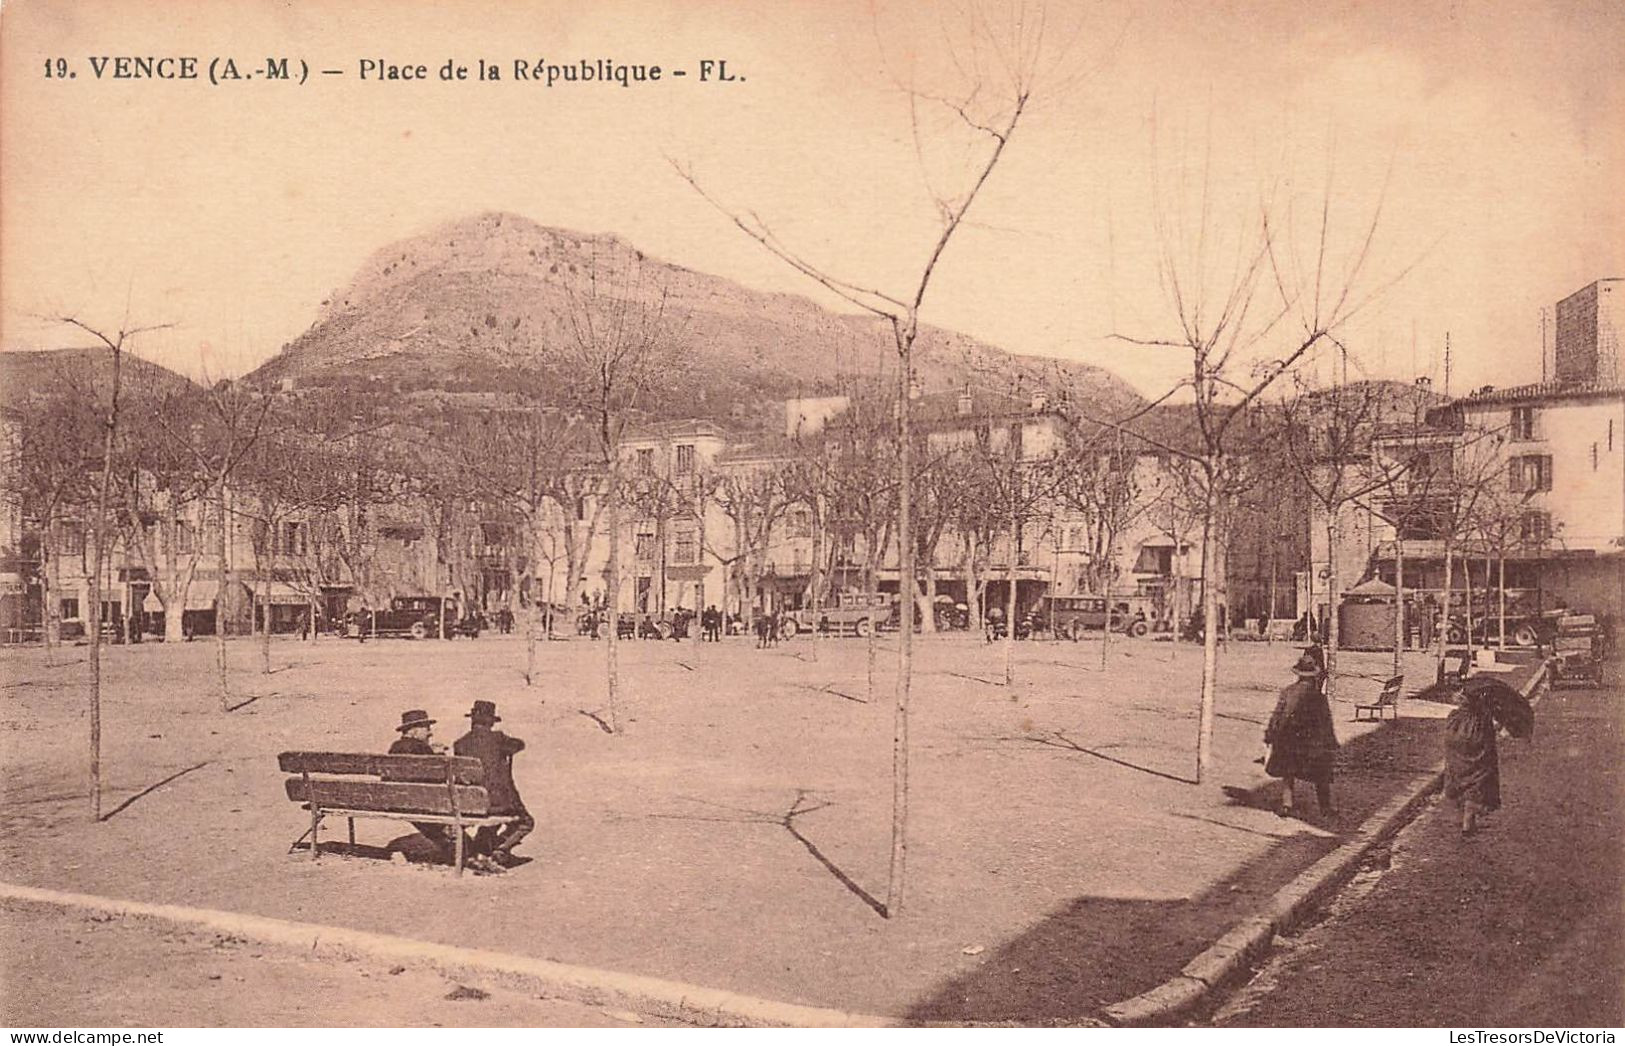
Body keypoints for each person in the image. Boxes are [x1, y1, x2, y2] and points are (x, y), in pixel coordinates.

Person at [453, 700, 532, 870]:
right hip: (497, 803)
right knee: (526, 822)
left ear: (473, 720)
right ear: (491, 721)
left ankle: (483, 847)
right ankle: (501, 849)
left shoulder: (459, 744)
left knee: (491, 813)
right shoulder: (499, 739)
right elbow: (519, 745)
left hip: (471, 802)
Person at [1264, 645, 1339, 820]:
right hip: (1311, 743)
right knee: (1321, 773)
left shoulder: (1287, 692)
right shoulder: (1318, 697)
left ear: (1298, 674)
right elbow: (1325, 723)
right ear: (1314, 676)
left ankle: (1286, 804)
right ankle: (1325, 807)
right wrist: (1330, 742)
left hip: (1289, 740)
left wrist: (1270, 735)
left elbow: (1277, 717)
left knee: (1288, 772)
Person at [387, 710, 458, 864]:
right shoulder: (422, 748)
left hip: (397, 801)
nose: (430, 733)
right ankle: (459, 850)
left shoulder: (394, 747)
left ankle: (448, 845)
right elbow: (438, 777)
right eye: (426, 728)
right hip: (419, 804)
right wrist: (439, 756)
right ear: (415, 730)